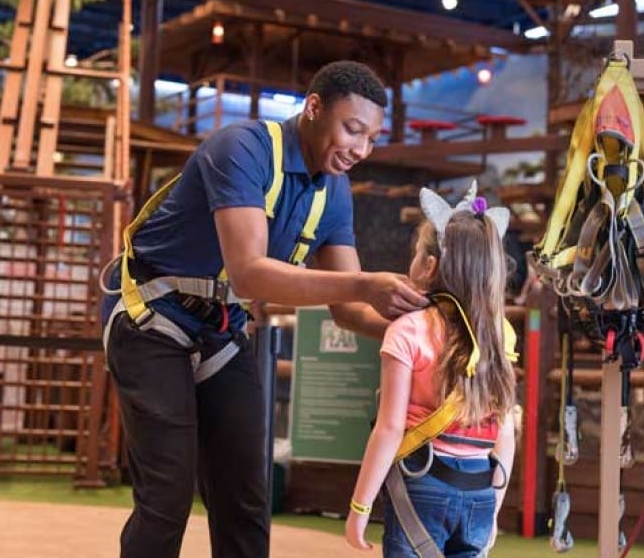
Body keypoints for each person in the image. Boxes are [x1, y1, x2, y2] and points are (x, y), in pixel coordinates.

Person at [100, 60, 429, 558]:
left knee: (245, 496)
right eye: (352, 130)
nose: (361, 150)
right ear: (314, 108)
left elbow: (346, 310)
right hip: (152, 317)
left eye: (372, 139)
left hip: (221, 331)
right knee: (167, 494)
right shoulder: (242, 149)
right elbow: (251, 273)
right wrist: (366, 284)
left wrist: (428, 329)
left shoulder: (334, 191)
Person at [345, 185, 518, 557]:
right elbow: (504, 435)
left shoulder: (407, 330)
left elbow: (390, 429)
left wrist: (360, 507)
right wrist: (495, 510)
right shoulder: (501, 335)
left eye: (417, 254)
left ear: (429, 266)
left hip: (422, 483)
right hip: (481, 491)